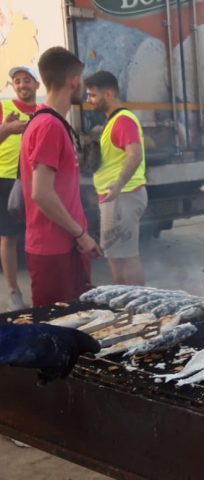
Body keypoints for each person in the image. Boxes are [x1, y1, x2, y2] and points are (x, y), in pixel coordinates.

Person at [20, 47, 101, 306]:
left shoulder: (50, 122)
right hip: (55, 249)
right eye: (82, 82)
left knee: (75, 326)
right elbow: (41, 193)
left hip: (64, 246)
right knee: (56, 331)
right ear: (74, 80)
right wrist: (80, 234)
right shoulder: (49, 126)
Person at [84, 70, 147, 285]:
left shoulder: (122, 120)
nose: (88, 100)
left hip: (123, 196)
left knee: (126, 258)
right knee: (115, 256)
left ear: (108, 94)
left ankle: (135, 309)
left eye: (92, 95)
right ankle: (126, 304)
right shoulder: (113, 121)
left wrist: (118, 185)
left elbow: (135, 155)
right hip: (117, 198)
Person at [0, 66, 39, 310]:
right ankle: (13, 291)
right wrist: (6, 129)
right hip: (5, 179)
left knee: (38, 235)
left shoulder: (44, 111)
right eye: (17, 81)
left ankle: (40, 285)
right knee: (8, 236)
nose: (22, 85)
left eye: (27, 80)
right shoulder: (5, 108)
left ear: (37, 85)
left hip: (36, 180)